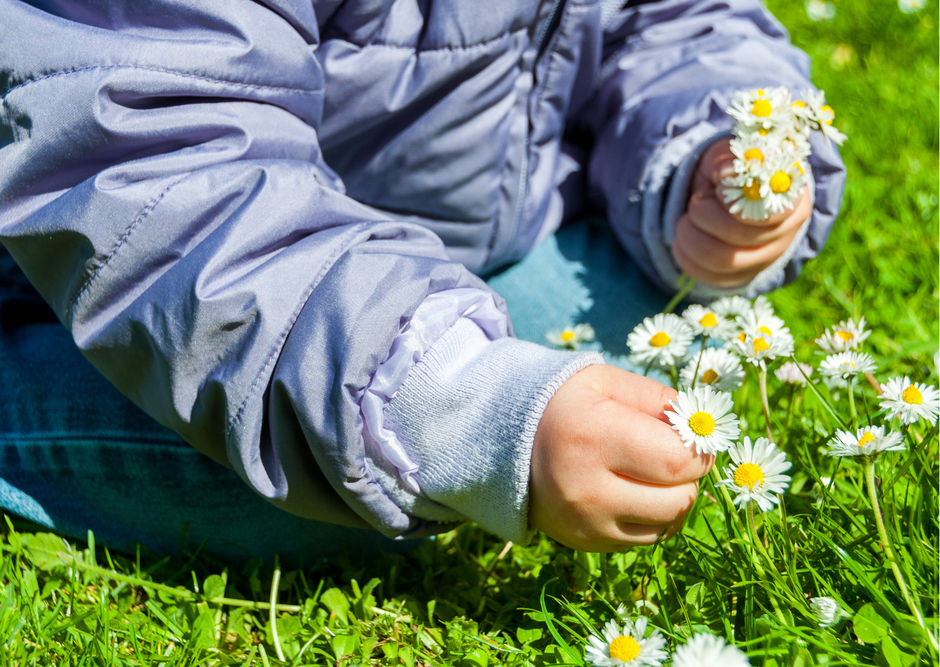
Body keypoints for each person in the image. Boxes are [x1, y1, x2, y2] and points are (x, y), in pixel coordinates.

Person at [0, 0, 844, 560]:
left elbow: (673, 20)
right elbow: (156, 157)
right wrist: (456, 405)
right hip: (151, 263)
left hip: (453, 244)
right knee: (341, 482)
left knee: (644, 339)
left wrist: (705, 153)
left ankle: (445, 388)